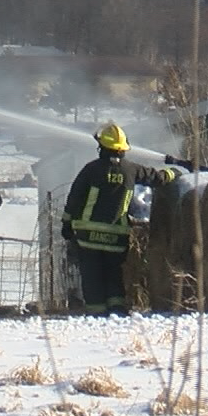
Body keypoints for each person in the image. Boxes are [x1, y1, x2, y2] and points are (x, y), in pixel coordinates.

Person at [62, 122, 180, 316]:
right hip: (116, 238)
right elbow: (157, 178)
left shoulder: (91, 170)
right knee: (113, 274)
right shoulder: (131, 170)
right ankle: (117, 309)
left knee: (92, 276)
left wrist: (66, 223)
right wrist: (174, 172)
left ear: (102, 147)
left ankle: (96, 313)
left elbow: (74, 198)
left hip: (88, 236)